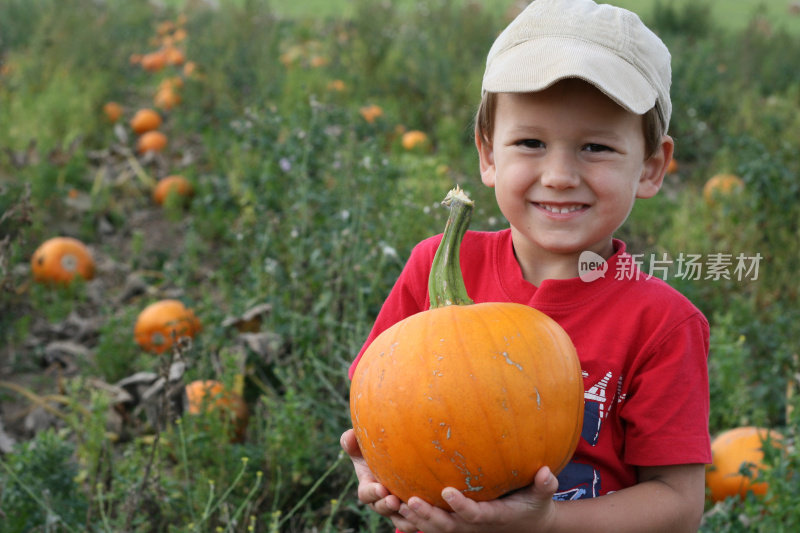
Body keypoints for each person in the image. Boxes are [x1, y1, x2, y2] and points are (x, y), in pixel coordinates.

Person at [341, 0, 711, 531]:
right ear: (489, 155)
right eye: (531, 142)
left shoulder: (662, 324)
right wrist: (372, 466)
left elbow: (678, 505)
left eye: (596, 147)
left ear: (652, 167)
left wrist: (546, 526)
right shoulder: (437, 266)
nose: (559, 175)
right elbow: (378, 407)